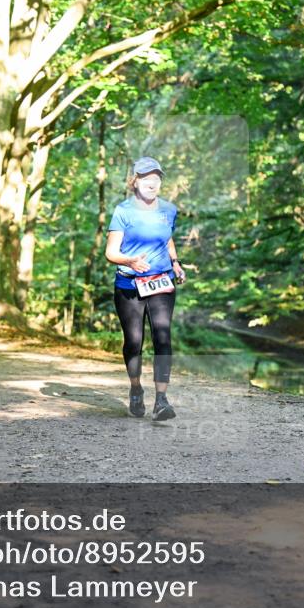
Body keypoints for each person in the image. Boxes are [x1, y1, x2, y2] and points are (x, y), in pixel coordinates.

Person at [104, 156, 187, 421]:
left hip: (161, 281)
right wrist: (131, 260)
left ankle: (161, 400)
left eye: (157, 178)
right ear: (135, 181)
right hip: (129, 284)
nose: (152, 183)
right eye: (146, 178)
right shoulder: (123, 211)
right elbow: (111, 252)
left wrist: (175, 263)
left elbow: (167, 239)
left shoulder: (169, 210)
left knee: (162, 335)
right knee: (134, 342)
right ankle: (136, 389)